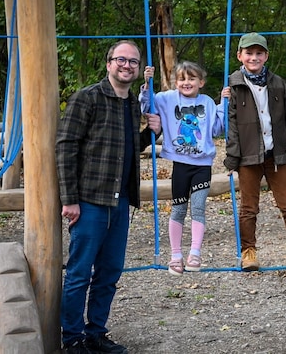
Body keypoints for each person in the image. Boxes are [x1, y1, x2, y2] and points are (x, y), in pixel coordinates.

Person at [56, 40, 161, 353]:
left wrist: (149, 134)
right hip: (89, 200)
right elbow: (65, 147)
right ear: (108, 63)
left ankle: (96, 333)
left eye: (132, 61)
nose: (126, 65)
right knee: (79, 272)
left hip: (120, 201)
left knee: (109, 272)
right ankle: (72, 338)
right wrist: (69, 198)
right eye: (121, 60)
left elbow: (126, 149)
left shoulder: (131, 104)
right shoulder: (86, 98)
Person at [224, 32, 286, 275]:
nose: (254, 57)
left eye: (259, 53)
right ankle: (249, 251)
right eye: (249, 53)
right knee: (249, 208)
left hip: (275, 156)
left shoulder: (278, 84)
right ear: (240, 56)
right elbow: (231, 125)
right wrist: (232, 156)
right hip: (248, 157)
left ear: (266, 56)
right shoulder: (234, 85)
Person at [139, 62, 229, 275]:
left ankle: (195, 253)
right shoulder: (167, 98)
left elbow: (216, 129)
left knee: (198, 208)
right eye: (182, 79)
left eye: (191, 79)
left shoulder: (206, 102)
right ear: (175, 82)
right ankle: (176, 255)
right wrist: (146, 83)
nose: (186, 83)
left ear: (201, 82)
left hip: (202, 165)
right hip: (180, 165)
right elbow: (145, 106)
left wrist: (224, 105)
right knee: (178, 209)